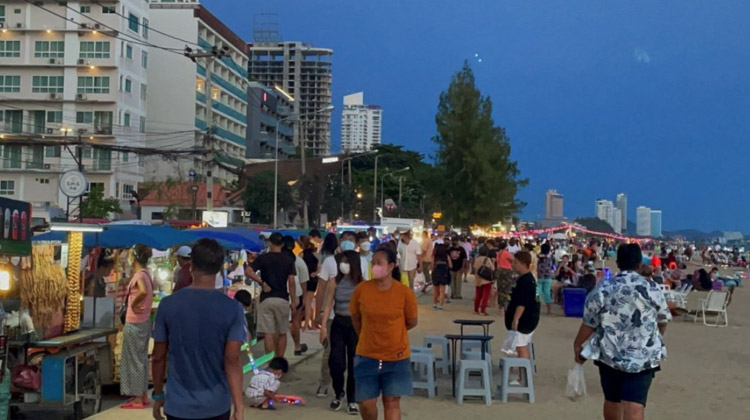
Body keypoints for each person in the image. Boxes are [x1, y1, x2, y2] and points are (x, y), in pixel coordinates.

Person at [573, 243, 671, 420]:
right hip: (643, 354)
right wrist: (656, 336)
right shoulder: (652, 288)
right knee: (635, 404)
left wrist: (577, 344)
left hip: (610, 353)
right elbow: (663, 319)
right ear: (640, 263)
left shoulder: (603, 288)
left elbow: (590, 322)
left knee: (612, 400)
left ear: (617, 263)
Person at [152, 239, 246, 420]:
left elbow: (158, 357)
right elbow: (232, 360)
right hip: (216, 406)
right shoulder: (232, 309)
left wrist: (158, 395)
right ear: (219, 268)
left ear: (191, 265)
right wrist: (239, 406)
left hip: (178, 406)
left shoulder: (168, 305)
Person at [351, 247, 418, 420]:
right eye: (373, 263)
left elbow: (411, 321)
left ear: (391, 266)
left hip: (396, 356)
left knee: (391, 402)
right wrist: (367, 334)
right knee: (365, 403)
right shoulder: (362, 290)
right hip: (366, 354)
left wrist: (392, 331)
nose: (375, 267)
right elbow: (356, 318)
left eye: (379, 263)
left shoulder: (404, 293)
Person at [320, 251, 363, 414]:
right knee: (336, 362)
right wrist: (323, 327)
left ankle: (352, 398)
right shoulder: (335, 281)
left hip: (354, 325)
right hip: (338, 322)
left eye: (346, 262)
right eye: (342, 262)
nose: (343, 265)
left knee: (354, 363)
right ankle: (338, 393)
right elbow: (329, 304)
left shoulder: (361, 284)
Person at [244, 232, 297, 359]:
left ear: (270, 243)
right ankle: (279, 361)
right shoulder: (288, 260)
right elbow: (291, 282)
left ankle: (270, 363)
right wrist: (294, 301)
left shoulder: (263, 258)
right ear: (282, 244)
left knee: (268, 333)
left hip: (266, 299)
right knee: (282, 332)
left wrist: (261, 282)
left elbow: (248, 270)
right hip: (282, 298)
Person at [120, 244, 154, 410]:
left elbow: (141, 291)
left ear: (134, 257)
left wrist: (134, 304)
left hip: (135, 322)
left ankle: (138, 399)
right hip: (143, 321)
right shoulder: (147, 274)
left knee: (134, 360)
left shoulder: (140, 275)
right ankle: (142, 394)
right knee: (140, 359)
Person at [504, 250, 540, 383]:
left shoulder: (526, 280)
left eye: (515, 263)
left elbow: (522, 303)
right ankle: (524, 376)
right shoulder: (526, 279)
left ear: (523, 264)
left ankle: (523, 378)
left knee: (521, 347)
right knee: (522, 346)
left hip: (525, 320)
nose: (513, 265)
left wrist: (516, 319)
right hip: (529, 318)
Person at [315, 232, 339, 398]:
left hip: (347, 315)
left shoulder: (357, 262)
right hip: (332, 315)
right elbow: (322, 289)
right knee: (329, 350)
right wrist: (319, 313)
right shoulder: (330, 261)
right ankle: (325, 383)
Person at [283, 235, 309, 357]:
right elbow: (304, 281)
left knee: (280, 326)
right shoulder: (299, 261)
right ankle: (297, 346)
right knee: (295, 322)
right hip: (296, 295)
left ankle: (277, 354)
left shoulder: (276, 260)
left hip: (279, 294)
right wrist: (304, 298)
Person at [301, 236, 320, 330]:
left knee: (305, 302)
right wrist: (315, 273)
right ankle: (311, 323)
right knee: (310, 302)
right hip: (313, 279)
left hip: (304, 279)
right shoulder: (316, 254)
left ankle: (305, 325)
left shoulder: (301, 255)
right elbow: (320, 267)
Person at [473, 246, 495, 315]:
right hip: (486, 279)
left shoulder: (477, 259)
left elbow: (475, 268)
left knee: (478, 295)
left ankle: (476, 309)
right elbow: (492, 268)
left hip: (478, 279)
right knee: (485, 296)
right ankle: (482, 310)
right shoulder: (487, 259)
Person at [495, 240, 514, 312]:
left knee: (500, 287)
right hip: (506, 271)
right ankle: (504, 305)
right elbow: (513, 259)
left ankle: (500, 305)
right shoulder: (506, 253)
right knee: (506, 288)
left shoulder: (498, 253)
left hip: (499, 270)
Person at [536, 243, 555, 315]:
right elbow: (553, 266)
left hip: (539, 277)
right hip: (547, 277)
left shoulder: (538, 257)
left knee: (538, 293)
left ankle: (537, 308)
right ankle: (549, 310)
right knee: (547, 293)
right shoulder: (550, 257)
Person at [431, 243, 450, 310]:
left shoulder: (434, 256)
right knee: (442, 290)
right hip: (444, 273)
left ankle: (434, 303)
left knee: (436, 290)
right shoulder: (446, 256)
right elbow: (451, 265)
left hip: (435, 273)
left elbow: (432, 266)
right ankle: (441, 305)